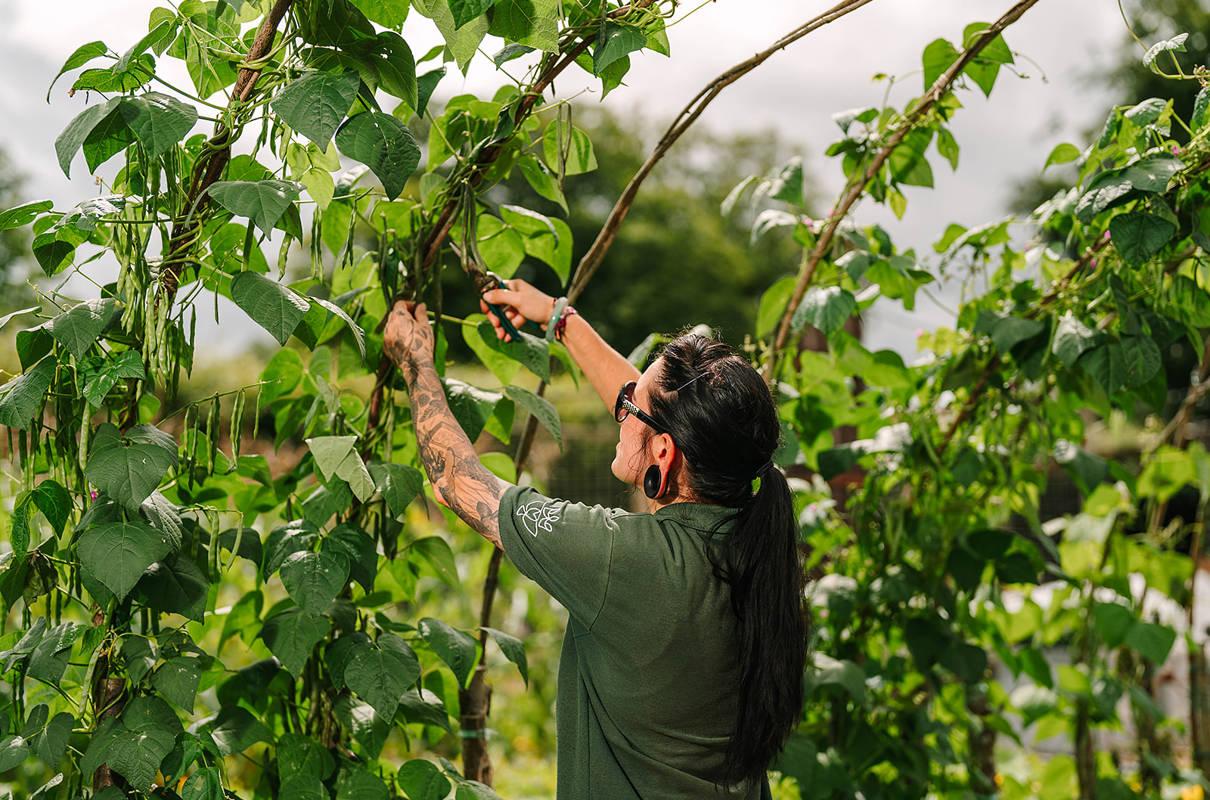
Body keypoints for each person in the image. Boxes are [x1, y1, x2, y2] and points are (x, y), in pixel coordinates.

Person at [383, 278, 806, 800]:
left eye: (630, 409)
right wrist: (559, 318)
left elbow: (456, 482)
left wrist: (415, 359)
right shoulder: (756, 539)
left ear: (665, 455)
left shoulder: (622, 561)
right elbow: (668, 419)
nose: (620, 411)